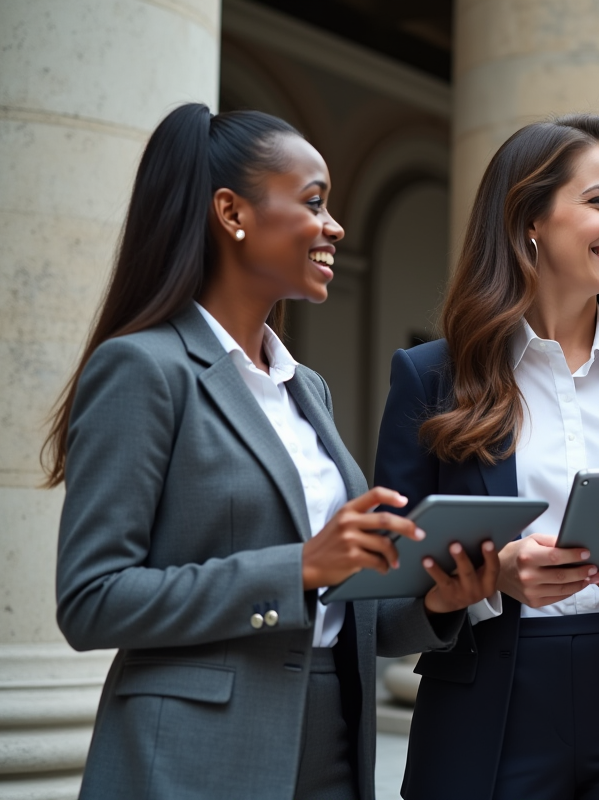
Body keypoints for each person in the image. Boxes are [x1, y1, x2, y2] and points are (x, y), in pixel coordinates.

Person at [46, 103, 499, 800]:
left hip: (334, 748)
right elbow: (92, 600)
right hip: (191, 763)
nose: (335, 227)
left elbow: (341, 610)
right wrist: (300, 566)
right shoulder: (143, 369)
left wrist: (437, 601)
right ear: (233, 212)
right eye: (314, 203)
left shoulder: (304, 388)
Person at [374, 114, 599, 800]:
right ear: (530, 221)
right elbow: (385, 596)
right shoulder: (430, 378)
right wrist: (488, 585)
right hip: (491, 710)